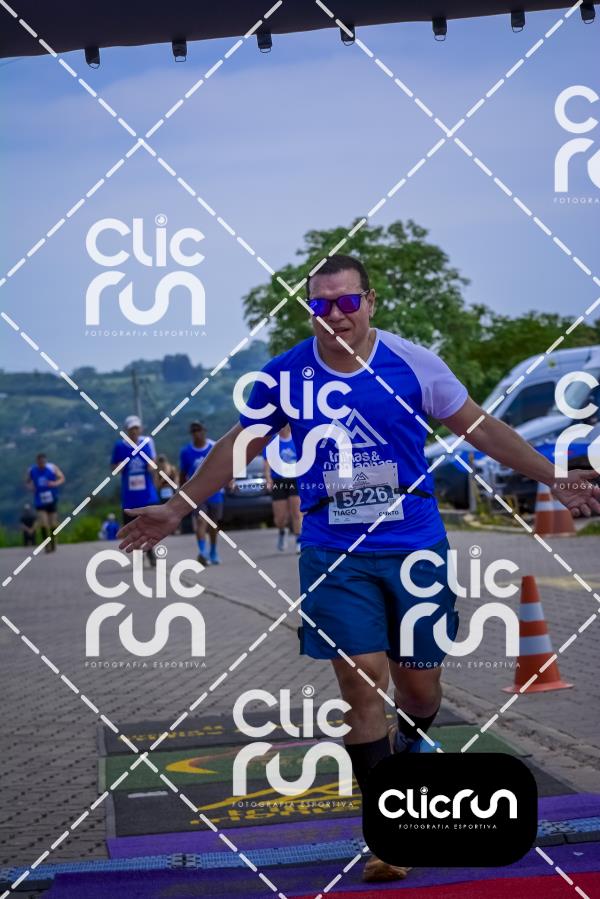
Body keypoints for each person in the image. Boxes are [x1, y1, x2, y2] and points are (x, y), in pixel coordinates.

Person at [118, 254, 600, 882]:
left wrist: (554, 477)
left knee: (419, 686)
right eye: (320, 305)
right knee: (361, 681)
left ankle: (411, 743)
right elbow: (239, 446)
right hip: (333, 550)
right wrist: (177, 509)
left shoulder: (414, 364)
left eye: (347, 302)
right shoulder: (285, 376)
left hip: (413, 545)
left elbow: (480, 429)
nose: (335, 316)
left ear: (369, 301)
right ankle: (389, 832)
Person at [111, 415, 158, 566]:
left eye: (136, 428)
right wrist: (120, 466)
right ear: (127, 430)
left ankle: (150, 551)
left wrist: (151, 467)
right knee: (133, 529)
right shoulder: (120, 447)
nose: (134, 431)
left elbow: (153, 462)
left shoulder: (147, 442)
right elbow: (114, 468)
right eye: (131, 429)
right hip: (129, 496)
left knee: (149, 525)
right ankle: (138, 556)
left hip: (147, 494)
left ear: (140, 429)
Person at [179, 422, 225, 566]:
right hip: (197, 494)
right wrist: (181, 492)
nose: (197, 433)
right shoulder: (186, 452)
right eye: (194, 431)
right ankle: (203, 552)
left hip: (215, 492)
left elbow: (224, 465)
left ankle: (213, 551)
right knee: (200, 520)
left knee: (213, 524)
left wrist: (228, 480)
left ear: (204, 431)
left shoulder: (214, 447)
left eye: (199, 430)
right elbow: (183, 474)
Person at [263, 424, 302, 552]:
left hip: (295, 479)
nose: (282, 427)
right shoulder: (272, 442)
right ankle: (282, 531)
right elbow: (267, 462)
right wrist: (268, 479)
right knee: (280, 518)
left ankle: (299, 540)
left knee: (296, 513)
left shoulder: (297, 439)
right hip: (278, 480)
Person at [25, 453, 65, 552]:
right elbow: (27, 482)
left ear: (45, 461)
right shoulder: (32, 470)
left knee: (53, 523)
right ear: (37, 462)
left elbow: (62, 478)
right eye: (40, 462)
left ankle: (53, 541)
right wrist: (31, 487)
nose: (42, 464)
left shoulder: (52, 467)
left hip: (52, 498)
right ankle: (46, 544)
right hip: (40, 500)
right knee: (43, 522)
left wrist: (55, 483)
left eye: (43, 462)